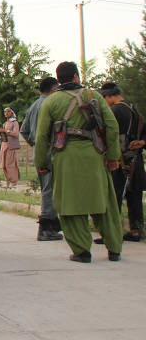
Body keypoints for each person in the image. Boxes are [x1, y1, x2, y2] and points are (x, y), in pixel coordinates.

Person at [34, 62, 122, 263]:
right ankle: (114, 249)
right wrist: (113, 156)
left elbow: (41, 137)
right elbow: (112, 126)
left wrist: (41, 162)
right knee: (104, 203)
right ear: (76, 76)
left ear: (59, 79)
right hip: (94, 155)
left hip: (65, 158)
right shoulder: (94, 96)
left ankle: (82, 251)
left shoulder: (51, 102)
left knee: (69, 205)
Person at [97, 82, 145, 243]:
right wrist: (142, 142)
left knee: (114, 195)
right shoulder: (134, 108)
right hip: (136, 159)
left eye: (104, 98)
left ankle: (111, 233)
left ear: (109, 96)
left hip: (119, 159)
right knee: (134, 195)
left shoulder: (115, 110)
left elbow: (107, 133)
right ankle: (135, 230)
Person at [20, 76, 62, 241]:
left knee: (48, 187)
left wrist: (35, 144)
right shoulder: (51, 104)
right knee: (50, 189)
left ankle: (51, 225)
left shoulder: (33, 106)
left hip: (40, 150)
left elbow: (23, 130)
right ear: (53, 90)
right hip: (50, 150)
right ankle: (46, 227)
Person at [0, 107, 20, 187]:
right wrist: (0, 133)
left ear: (12, 113)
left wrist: (6, 131)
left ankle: (13, 182)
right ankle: (8, 181)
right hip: (4, 144)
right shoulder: (5, 123)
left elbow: (15, 133)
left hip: (11, 145)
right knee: (3, 165)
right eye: (5, 112)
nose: (6, 113)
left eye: (8, 111)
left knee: (10, 164)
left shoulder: (15, 123)